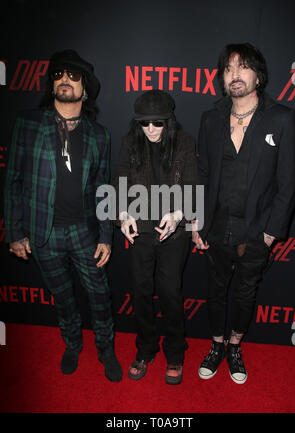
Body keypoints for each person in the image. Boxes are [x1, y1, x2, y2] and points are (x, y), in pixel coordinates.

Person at [4, 49, 122, 382]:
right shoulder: (28, 124)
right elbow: (12, 181)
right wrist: (14, 232)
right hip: (43, 234)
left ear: (85, 89)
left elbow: (103, 188)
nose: (64, 80)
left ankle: (105, 349)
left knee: (100, 296)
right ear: (50, 84)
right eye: (58, 75)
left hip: (84, 232)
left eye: (73, 75)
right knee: (63, 297)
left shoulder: (100, 135)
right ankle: (72, 344)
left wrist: (105, 235)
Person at [193, 43, 295, 384]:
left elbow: (289, 182)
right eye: (228, 69)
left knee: (245, 292)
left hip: (257, 228)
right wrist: (197, 221)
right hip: (217, 225)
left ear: (259, 75)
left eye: (243, 67)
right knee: (216, 290)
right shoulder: (210, 119)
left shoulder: (282, 119)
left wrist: (272, 231)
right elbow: (203, 175)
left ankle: (235, 346)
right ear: (222, 78)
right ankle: (217, 344)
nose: (235, 74)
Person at [113, 89, 198, 384]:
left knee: (171, 294)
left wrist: (177, 216)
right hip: (141, 234)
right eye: (144, 123)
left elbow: (192, 184)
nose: (150, 129)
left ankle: (175, 353)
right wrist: (122, 215)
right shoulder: (129, 142)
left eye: (157, 123)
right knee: (140, 293)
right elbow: (119, 181)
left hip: (174, 234)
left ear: (169, 120)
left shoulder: (184, 142)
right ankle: (145, 349)